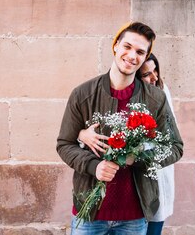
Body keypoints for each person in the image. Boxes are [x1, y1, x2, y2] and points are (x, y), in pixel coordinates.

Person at [56, 22, 183, 235]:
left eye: (140, 52)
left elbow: (175, 147)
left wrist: (139, 157)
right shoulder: (83, 94)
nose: (132, 56)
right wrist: (93, 166)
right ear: (115, 46)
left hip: (134, 217)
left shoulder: (156, 99)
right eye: (127, 47)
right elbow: (64, 144)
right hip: (89, 213)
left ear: (145, 57)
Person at [78, 53, 174, 235]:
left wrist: (136, 155)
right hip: (112, 197)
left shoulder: (160, 94)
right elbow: (94, 129)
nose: (154, 78)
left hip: (153, 180)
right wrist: (82, 134)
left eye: (156, 71)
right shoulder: (109, 94)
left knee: (153, 227)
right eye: (146, 74)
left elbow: (171, 143)